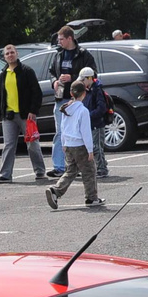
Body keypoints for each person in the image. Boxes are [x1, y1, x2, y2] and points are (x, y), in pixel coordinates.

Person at [45, 26, 95, 179]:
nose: (58, 42)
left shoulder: (83, 54)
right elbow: (52, 71)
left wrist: (73, 78)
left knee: (79, 133)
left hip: (78, 99)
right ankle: (59, 166)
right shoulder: (59, 54)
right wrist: (54, 81)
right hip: (62, 99)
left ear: (69, 38)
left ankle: (80, 165)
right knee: (61, 132)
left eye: (61, 39)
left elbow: (92, 75)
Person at [0, 44, 45, 183]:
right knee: (8, 145)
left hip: (26, 115)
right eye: (7, 53)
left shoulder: (27, 71)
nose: (10, 55)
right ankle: (5, 174)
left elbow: (36, 93)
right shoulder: (3, 74)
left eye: (12, 52)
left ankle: (40, 171)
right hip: (8, 116)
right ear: (4, 57)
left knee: (32, 144)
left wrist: (33, 111)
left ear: (17, 54)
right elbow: (0, 96)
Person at [45, 81, 102, 210]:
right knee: (89, 170)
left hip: (69, 145)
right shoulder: (83, 111)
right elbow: (85, 132)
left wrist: (64, 143)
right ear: (84, 94)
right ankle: (91, 198)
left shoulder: (65, 109)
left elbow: (63, 128)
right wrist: (90, 150)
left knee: (71, 171)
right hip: (80, 145)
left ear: (71, 93)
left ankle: (56, 190)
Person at [77, 65, 111, 178]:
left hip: (97, 124)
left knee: (97, 147)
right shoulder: (88, 90)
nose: (82, 82)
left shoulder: (97, 90)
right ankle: (99, 166)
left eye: (83, 80)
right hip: (90, 123)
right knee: (91, 146)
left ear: (89, 78)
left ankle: (102, 169)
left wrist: (88, 115)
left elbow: (101, 108)